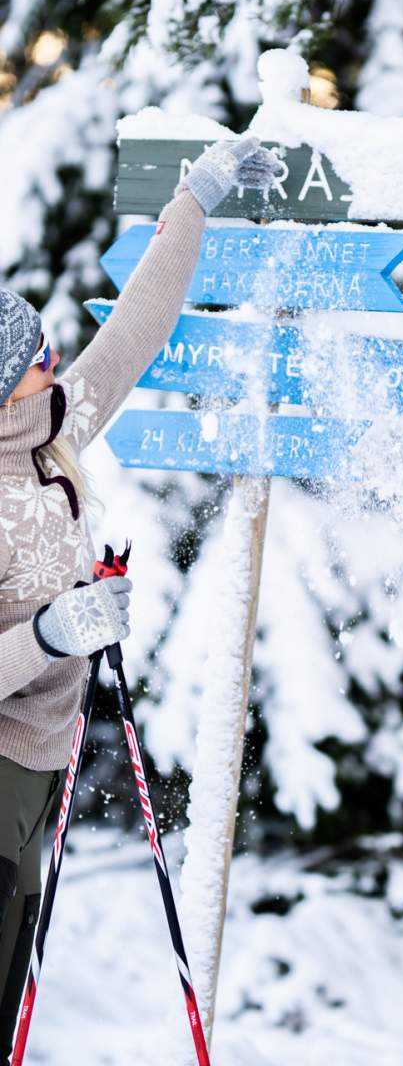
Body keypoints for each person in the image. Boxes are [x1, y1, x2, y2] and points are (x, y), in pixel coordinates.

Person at [0, 134, 278, 1062]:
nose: (52, 354)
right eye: (36, 355)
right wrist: (51, 630)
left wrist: (194, 197)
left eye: (44, 342)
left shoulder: (54, 429)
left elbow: (136, 328)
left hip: (35, 773)